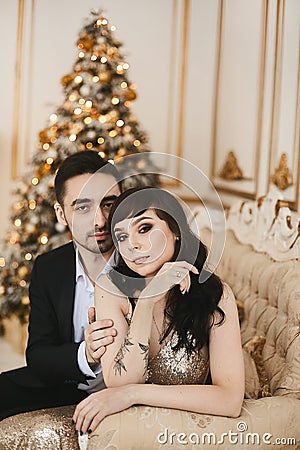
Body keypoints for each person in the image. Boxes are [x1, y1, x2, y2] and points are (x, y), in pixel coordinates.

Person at [73, 186, 245, 435]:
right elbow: (118, 381)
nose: (132, 245)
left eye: (144, 228)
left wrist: (133, 394)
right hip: (131, 430)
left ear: (174, 230)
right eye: (121, 237)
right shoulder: (111, 287)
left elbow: (230, 401)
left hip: (191, 433)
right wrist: (146, 301)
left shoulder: (216, 293)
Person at [0, 150, 121, 420]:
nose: (99, 221)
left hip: (128, 394)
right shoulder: (48, 268)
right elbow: (40, 354)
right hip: (67, 385)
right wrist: (85, 354)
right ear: (61, 214)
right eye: (82, 207)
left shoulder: (145, 264)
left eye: (108, 204)